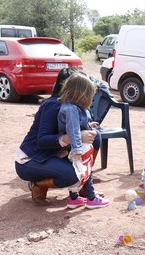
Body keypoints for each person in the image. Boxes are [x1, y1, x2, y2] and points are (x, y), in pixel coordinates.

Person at [15, 68, 99, 205]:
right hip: (31, 160)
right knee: (72, 175)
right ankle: (38, 185)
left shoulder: (73, 106)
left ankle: (83, 186)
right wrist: (72, 137)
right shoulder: (53, 106)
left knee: (96, 137)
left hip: (52, 155)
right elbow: (41, 141)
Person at [57, 73, 110, 209]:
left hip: (77, 145)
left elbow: (78, 126)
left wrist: (89, 125)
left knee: (79, 171)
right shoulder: (71, 110)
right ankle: (91, 198)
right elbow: (73, 130)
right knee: (86, 171)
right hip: (78, 146)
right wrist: (77, 149)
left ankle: (73, 198)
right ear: (81, 94)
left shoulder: (73, 107)